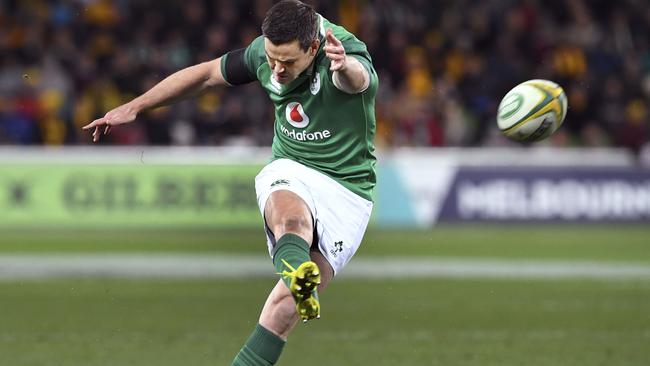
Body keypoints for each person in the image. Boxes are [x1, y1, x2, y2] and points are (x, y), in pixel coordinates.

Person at [83, 1, 377, 364]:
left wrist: (344, 64)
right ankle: (299, 272)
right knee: (291, 220)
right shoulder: (265, 52)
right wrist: (135, 107)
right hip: (292, 165)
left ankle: (297, 280)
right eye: (272, 59)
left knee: (283, 309)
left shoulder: (344, 54)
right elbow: (206, 75)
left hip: (347, 189)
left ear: (313, 48)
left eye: (288, 62)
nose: (277, 70)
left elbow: (356, 80)